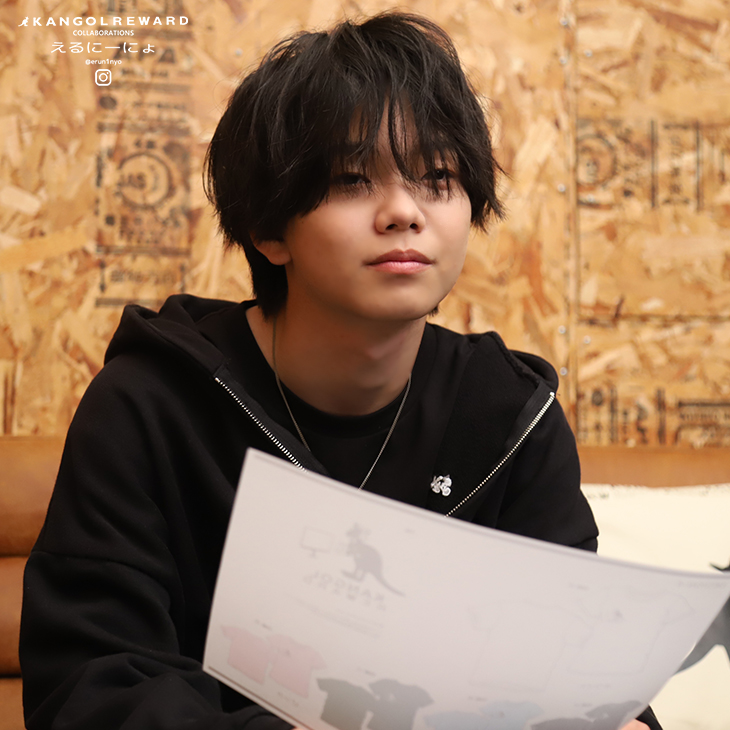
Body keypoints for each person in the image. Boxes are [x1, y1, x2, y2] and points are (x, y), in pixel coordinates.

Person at [20, 11, 660, 730]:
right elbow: (89, 687)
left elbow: (580, 677)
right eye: (353, 179)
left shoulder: (510, 422)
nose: (404, 212)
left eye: (438, 178)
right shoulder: (148, 407)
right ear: (269, 230)